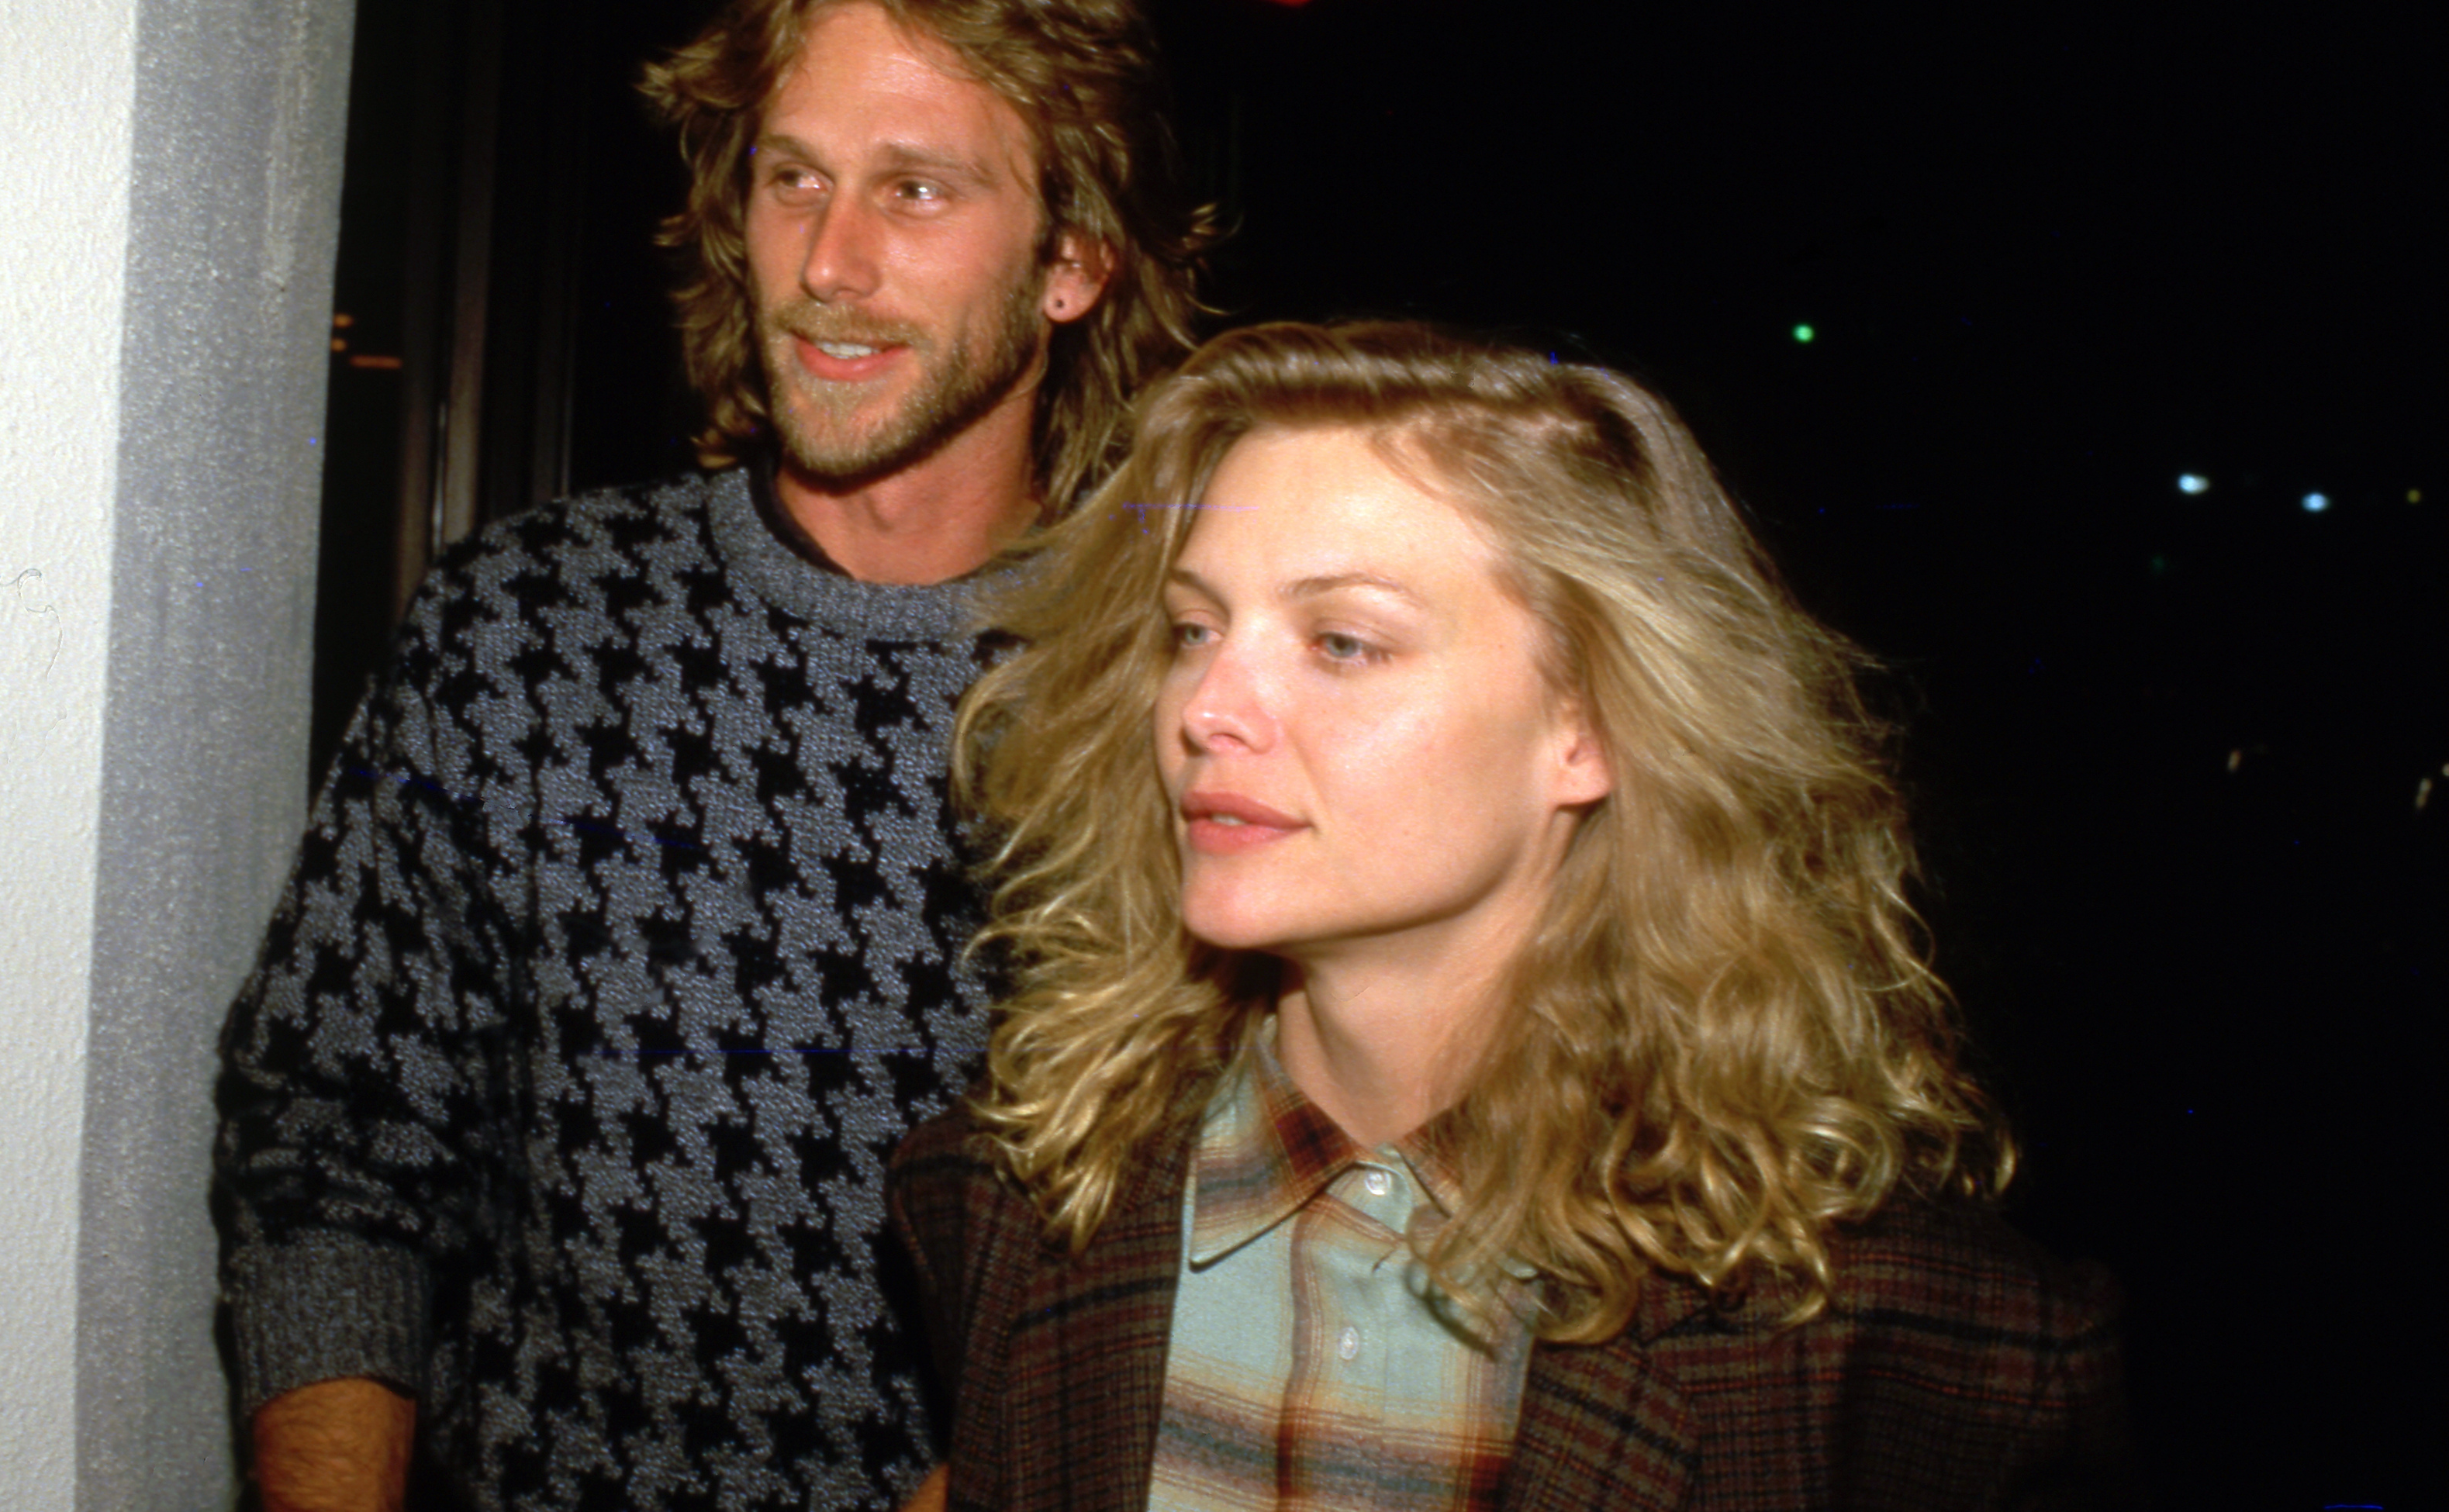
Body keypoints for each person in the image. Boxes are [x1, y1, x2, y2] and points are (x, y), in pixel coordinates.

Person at [214, 0, 1209, 1512]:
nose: (828, 262)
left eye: (918, 190)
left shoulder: (1175, 697)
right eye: (792, 176)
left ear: (1073, 265)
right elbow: (331, 1140)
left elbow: (1198, 1275)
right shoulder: (523, 624)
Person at [890, 321, 2133, 1510]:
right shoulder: (1009, 1199)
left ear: (1586, 724)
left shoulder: (1920, 1356)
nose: (1209, 704)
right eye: (1193, 628)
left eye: (1343, 641)